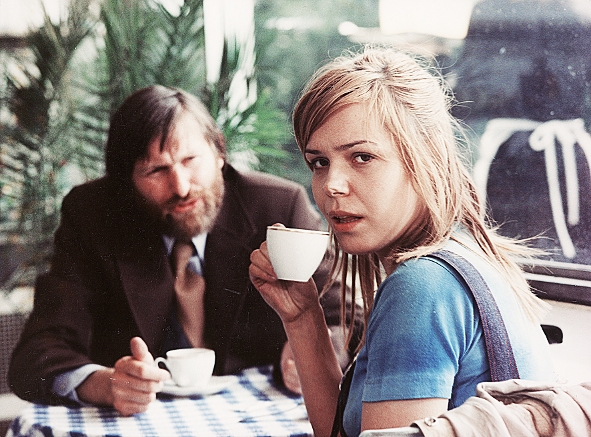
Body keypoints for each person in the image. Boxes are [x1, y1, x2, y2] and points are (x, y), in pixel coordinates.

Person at [249, 47, 556, 437]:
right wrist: (303, 317)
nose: (331, 185)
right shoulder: (465, 252)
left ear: (423, 160)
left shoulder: (421, 287)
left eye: (362, 157)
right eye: (319, 162)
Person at [9, 85, 353, 416]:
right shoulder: (93, 216)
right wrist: (105, 384)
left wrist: (312, 353)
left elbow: (348, 319)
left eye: (190, 160)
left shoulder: (278, 206)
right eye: (156, 170)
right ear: (125, 183)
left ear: (219, 153)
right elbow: (36, 355)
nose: (181, 186)